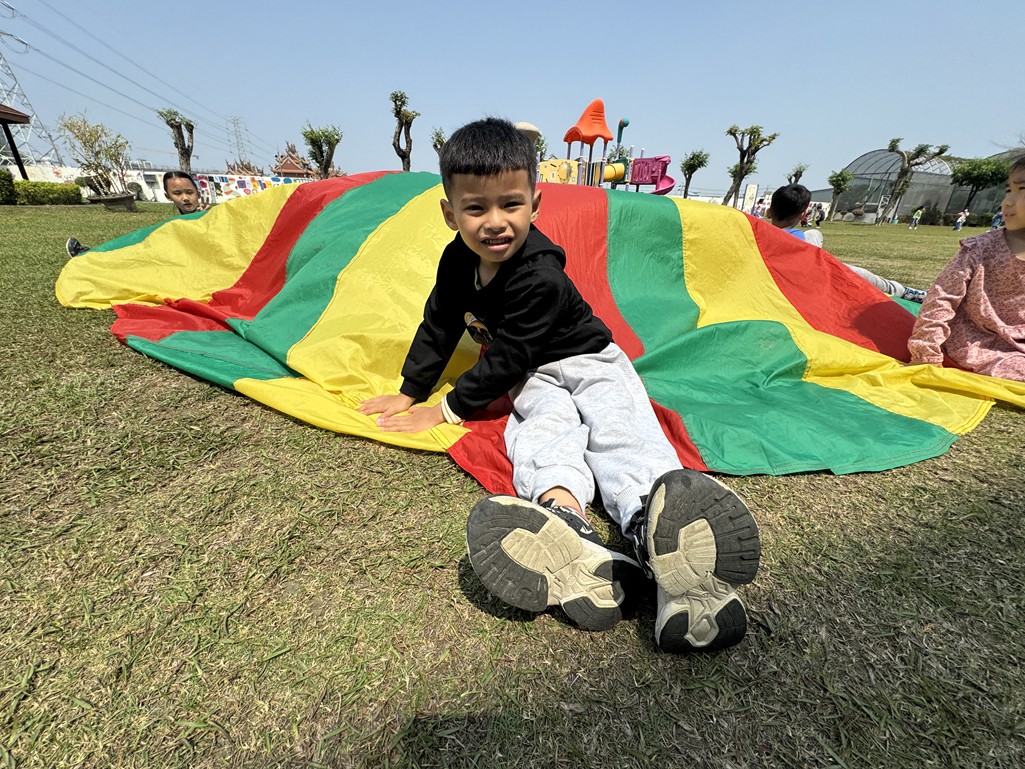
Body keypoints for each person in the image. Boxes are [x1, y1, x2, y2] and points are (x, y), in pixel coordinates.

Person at [357, 118, 761, 652]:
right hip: (531, 375)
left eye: (510, 204)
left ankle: (655, 524)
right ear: (450, 213)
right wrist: (411, 390)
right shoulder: (456, 261)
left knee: (619, 429)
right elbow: (439, 322)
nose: (494, 222)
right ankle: (566, 519)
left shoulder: (539, 275)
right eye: (476, 208)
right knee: (543, 430)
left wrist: (448, 408)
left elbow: (508, 354)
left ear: (535, 204)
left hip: (589, 360)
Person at [907, 157, 1025, 381]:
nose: (1007, 202)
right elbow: (941, 298)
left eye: (1021, 190)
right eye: (1008, 190)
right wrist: (926, 353)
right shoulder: (980, 249)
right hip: (979, 344)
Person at [768, 184, 928, 302]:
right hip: (814, 273)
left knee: (814, 234)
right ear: (804, 214)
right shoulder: (798, 239)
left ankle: (904, 291)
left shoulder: (761, 236)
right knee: (862, 275)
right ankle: (905, 292)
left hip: (802, 266)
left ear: (769, 212)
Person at [66, 171, 208, 257]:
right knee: (144, 238)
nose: (185, 198)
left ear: (198, 193)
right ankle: (90, 255)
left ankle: (89, 255)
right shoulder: (175, 221)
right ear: (168, 196)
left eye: (189, 192)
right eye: (177, 193)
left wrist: (205, 217)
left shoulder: (206, 214)